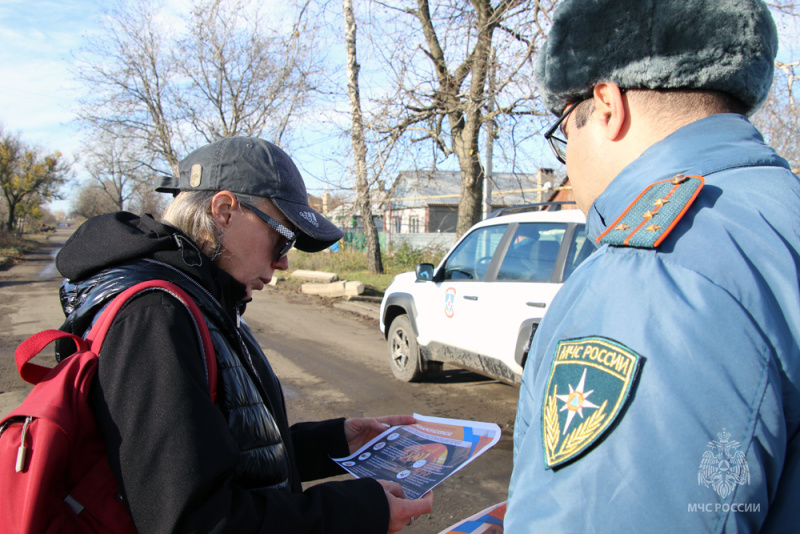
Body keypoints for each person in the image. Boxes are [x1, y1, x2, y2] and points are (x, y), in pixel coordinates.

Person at [506, 0, 799, 532]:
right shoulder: (778, 211)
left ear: (608, 106)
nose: (566, 162)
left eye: (563, 133)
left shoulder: (652, 273)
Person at [55, 137, 433, 533]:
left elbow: (218, 450)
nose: (285, 261)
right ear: (223, 211)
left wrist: (334, 443)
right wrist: (358, 511)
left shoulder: (206, 301)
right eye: (283, 238)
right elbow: (193, 520)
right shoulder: (155, 318)